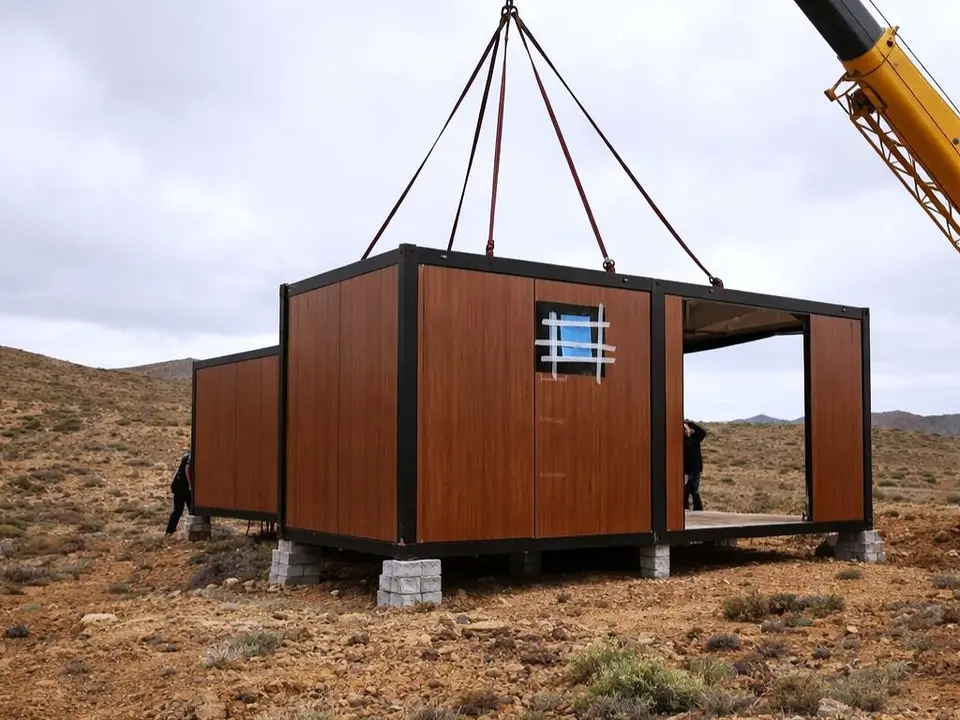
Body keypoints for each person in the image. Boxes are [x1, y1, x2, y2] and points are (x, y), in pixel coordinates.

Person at [165, 451, 193, 536]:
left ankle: (191, 532)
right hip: (181, 487)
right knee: (178, 511)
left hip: (184, 487)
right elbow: (187, 468)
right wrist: (191, 486)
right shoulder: (192, 456)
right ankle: (169, 532)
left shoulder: (191, 454)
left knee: (192, 510)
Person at [683, 419, 708, 511]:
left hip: (694, 469)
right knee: (686, 489)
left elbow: (702, 432)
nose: (685, 431)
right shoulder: (682, 440)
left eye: (686, 430)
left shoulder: (695, 438)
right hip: (685, 469)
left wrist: (689, 424)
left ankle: (697, 509)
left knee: (694, 490)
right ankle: (686, 508)